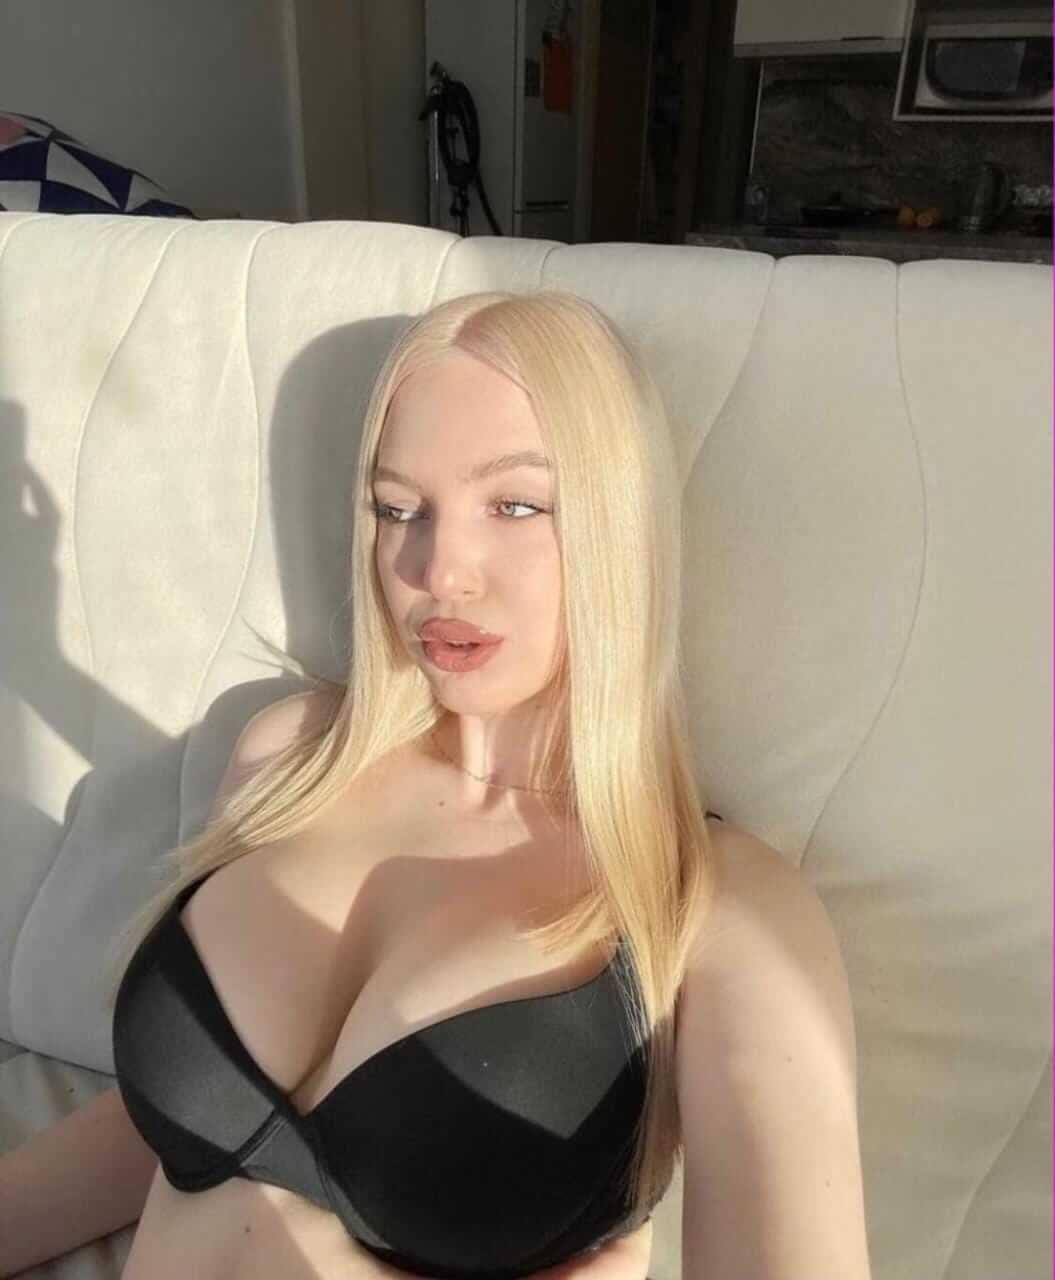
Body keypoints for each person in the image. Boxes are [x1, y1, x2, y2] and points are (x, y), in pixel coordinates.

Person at [1, 290, 870, 1278]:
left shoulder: (717, 907)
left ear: (617, 523)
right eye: (397, 508)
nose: (438, 571)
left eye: (515, 504)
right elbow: (179, 1141)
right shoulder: (289, 758)